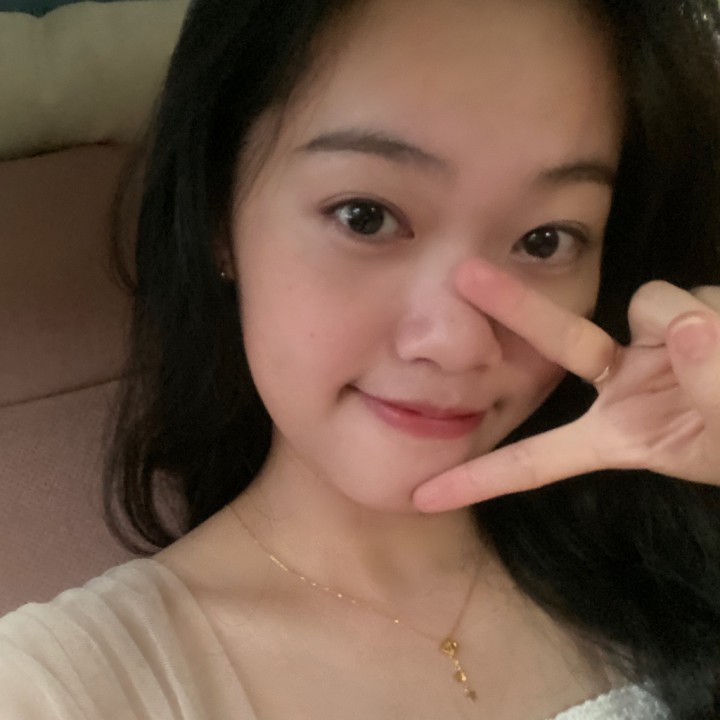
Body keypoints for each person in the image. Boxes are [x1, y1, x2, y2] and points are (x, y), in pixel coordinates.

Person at [2, 0, 720, 718]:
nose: (458, 342)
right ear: (219, 213)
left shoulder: (667, 548)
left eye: (546, 241)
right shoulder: (59, 688)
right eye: (365, 217)